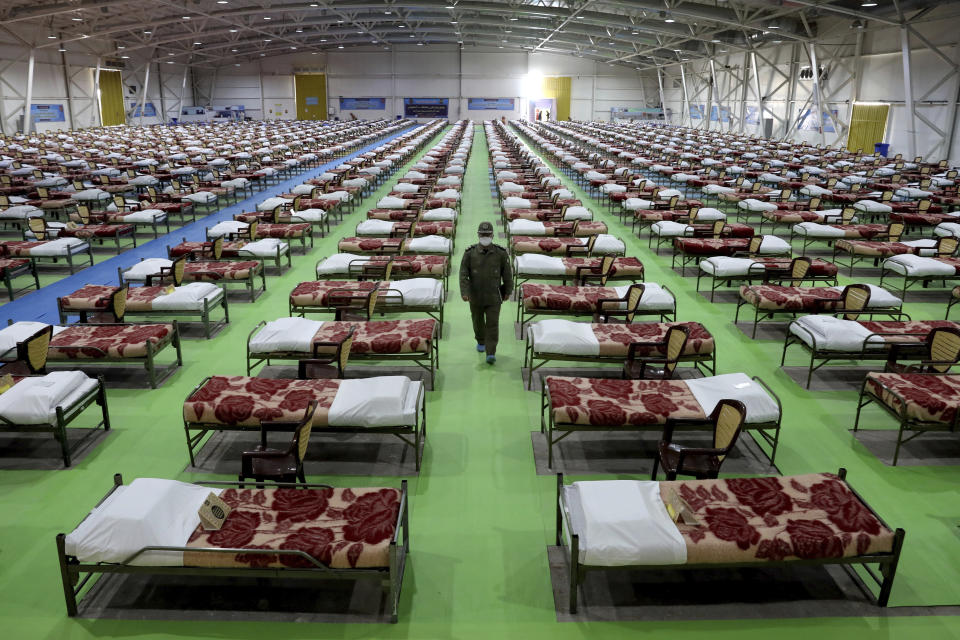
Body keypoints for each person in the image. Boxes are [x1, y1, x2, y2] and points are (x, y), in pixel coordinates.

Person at [460, 221, 512, 364]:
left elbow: (507, 274)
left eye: (487, 234)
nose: (485, 237)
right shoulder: (470, 254)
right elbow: (463, 274)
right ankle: (480, 340)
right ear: (478, 235)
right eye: (482, 234)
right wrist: (464, 292)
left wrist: (508, 290)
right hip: (475, 295)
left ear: (492, 235)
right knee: (477, 322)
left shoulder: (500, 254)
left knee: (492, 324)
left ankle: (491, 352)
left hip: (494, 296)